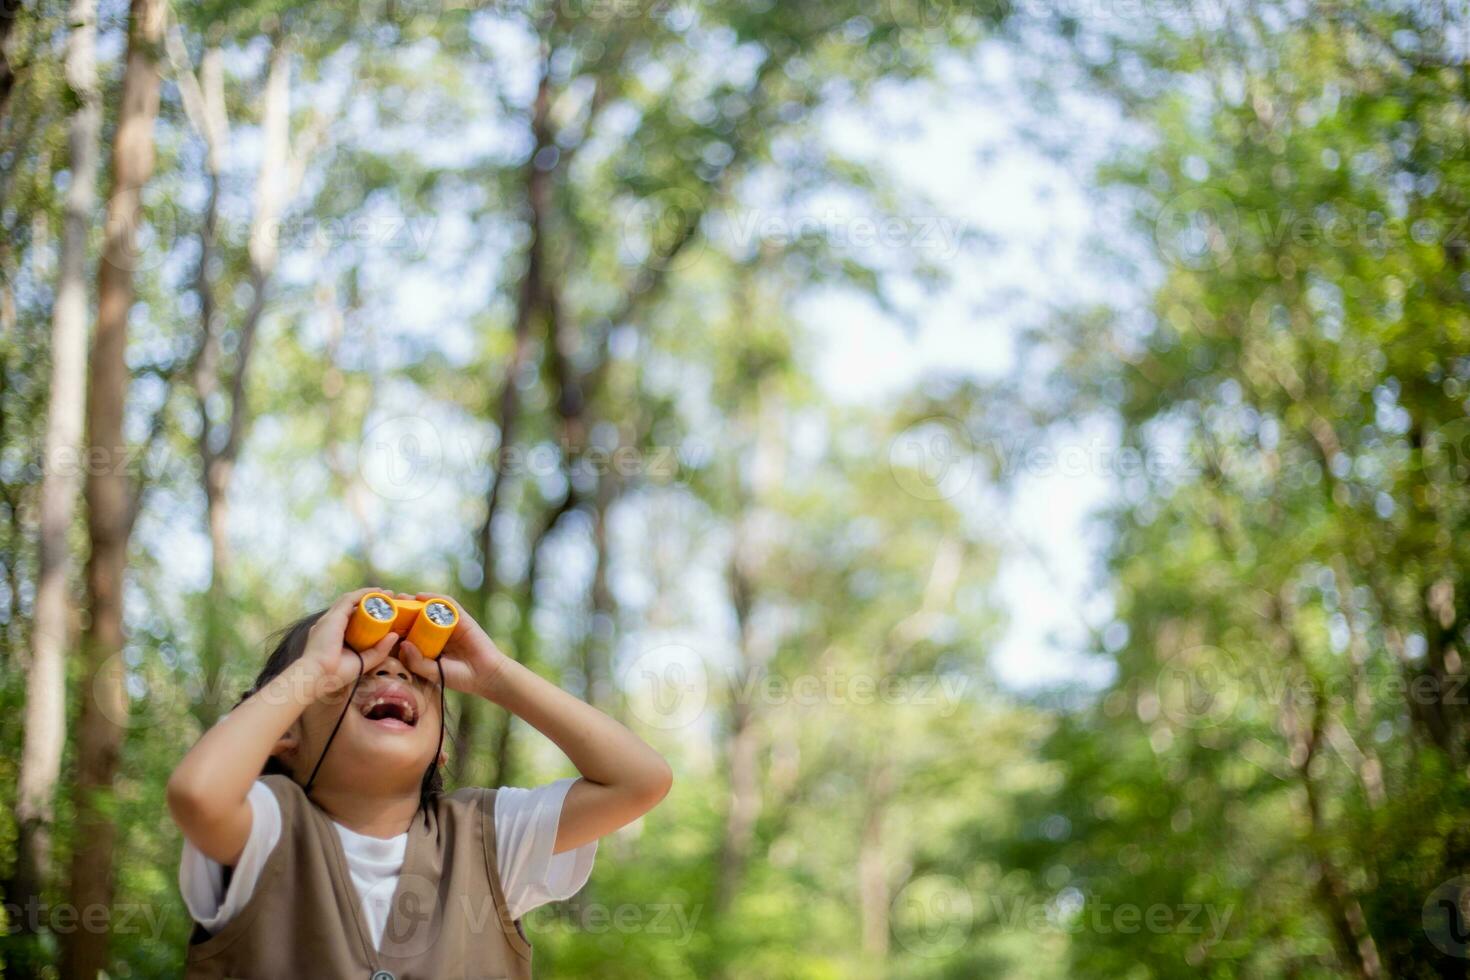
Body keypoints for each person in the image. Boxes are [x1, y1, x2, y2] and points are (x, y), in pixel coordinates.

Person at [167, 587, 674, 978]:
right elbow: (198, 793)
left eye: (419, 671)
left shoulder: (489, 839)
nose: (392, 668)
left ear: (439, 750)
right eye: (353, 661)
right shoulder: (269, 827)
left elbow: (640, 780)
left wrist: (494, 674)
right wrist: (314, 667)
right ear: (283, 731)